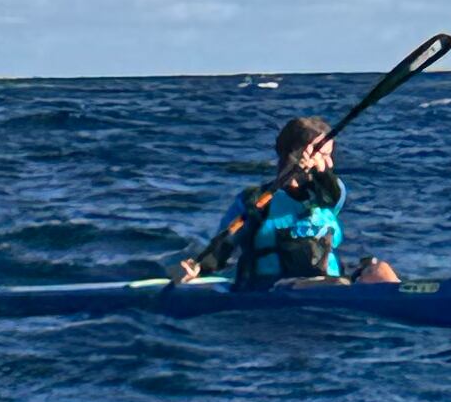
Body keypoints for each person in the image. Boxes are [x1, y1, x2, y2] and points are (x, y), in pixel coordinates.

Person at [171, 116, 399, 288]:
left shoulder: (328, 193)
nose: (328, 162)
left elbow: (331, 193)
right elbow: (222, 248)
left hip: (332, 285)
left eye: (330, 154)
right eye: (322, 154)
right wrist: (197, 268)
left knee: (380, 270)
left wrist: (319, 173)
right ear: (295, 154)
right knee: (331, 285)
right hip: (274, 288)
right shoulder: (254, 201)